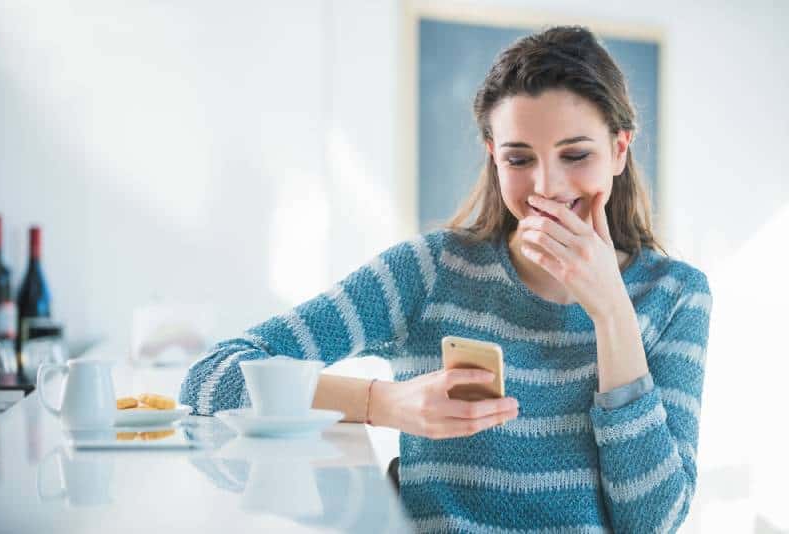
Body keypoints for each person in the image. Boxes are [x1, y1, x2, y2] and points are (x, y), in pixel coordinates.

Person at [180, 25, 712, 533]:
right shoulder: (429, 271)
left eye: (575, 154)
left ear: (620, 149)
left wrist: (612, 313)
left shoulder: (676, 295)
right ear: (492, 156)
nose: (546, 186)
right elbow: (211, 379)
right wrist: (383, 404)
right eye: (519, 158)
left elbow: (654, 522)